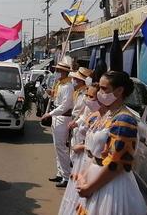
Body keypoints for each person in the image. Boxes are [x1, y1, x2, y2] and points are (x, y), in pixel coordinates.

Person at [75, 71, 147, 215]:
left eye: (104, 89)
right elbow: (97, 153)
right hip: (95, 181)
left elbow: (118, 163)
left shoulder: (125, 120)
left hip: (111, 187)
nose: (99, 93)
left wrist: (90, 187)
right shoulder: (108, 114)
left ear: (119, 90)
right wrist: (84, 175)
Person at [58, 82, 100, 214]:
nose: (88, 99)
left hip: (91, 162)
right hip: (83, 158)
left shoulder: (109, 118)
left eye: (91, 96)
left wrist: (83, 147)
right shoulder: (93, 113)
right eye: (87, 95)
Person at [41, 61, 73, 188]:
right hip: (57, 118)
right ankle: (60, 173)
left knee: (61, 148)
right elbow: (58, 100)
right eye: (57, 70)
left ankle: (66, 176)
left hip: (62, 118)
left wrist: (50, 114)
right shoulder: (60, 84)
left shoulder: (68, 86)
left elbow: (65, 106)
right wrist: (51, 93)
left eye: (59, 70)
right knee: (57, 148)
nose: (57, 73)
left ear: (65, 72)